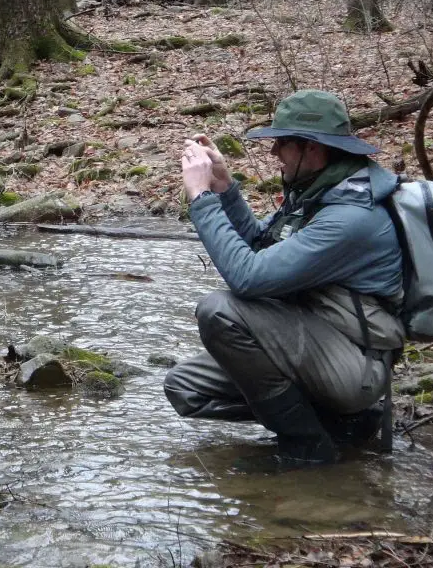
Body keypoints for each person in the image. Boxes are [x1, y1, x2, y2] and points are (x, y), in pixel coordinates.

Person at [163, 89, 404, 466]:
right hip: (313, 340)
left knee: (220, 311)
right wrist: (224, 188)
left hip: (355, 364)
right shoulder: (321, 190)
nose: (274, 152)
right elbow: (262, 246)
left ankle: (308, 448)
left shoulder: (352, 216)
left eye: (282, 143)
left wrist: (201, 199)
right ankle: (341, 426)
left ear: (312, 148)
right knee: (186, 388)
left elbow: (248, 277)